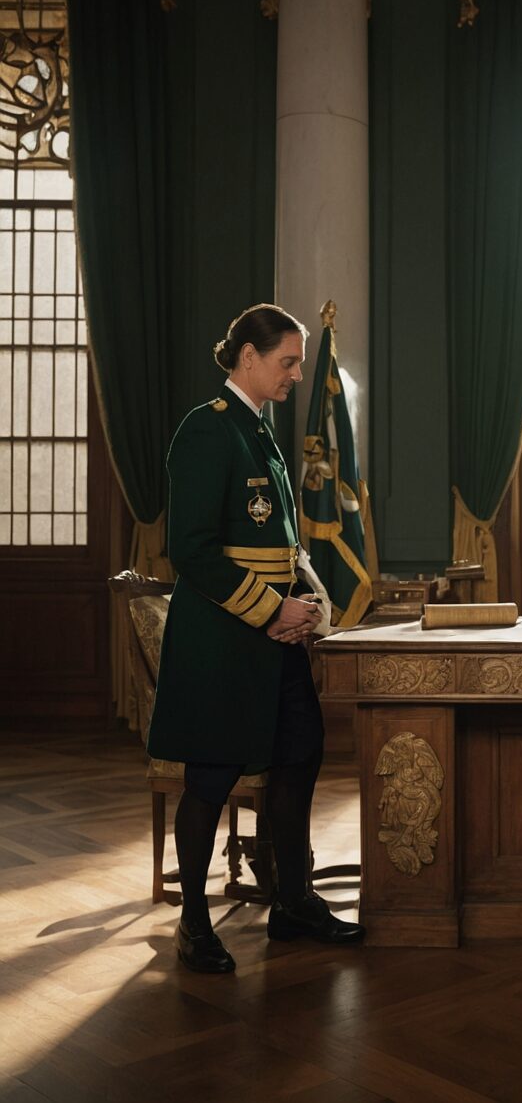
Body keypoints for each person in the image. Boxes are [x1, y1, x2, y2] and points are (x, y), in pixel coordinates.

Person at [147, 304, 364, 972]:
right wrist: (270, 611)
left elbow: (285, 540)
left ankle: (293, 902)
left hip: (277, 639)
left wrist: (311, 598)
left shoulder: (260, 431)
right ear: (248, 356)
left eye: (299, 362)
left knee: (300, 755)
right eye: (287, 362)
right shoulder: (208, 431)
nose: (297, 374)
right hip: (223, 638)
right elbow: (193, 550)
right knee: (212, 775)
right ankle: (193, 924)